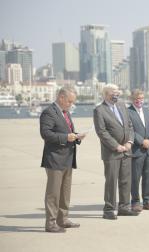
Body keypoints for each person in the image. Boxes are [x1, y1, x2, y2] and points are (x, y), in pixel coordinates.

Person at [40, 87, 85, 233]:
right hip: (54, 158)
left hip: (68, 158)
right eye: (70, 101)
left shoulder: (65, 112)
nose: (71, 104)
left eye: (73, 102)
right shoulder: (49, 112)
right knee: (53, 193)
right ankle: (51, 223)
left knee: (65, 192)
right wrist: (66, 137)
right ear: (61, 97)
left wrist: (76, 136)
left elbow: (67, 132)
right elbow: (46, 134)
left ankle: (63, 219)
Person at [93, 84, 138, 220]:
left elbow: (130, 126)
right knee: (111, 181)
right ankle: (108, 210)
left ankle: (124, 207)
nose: (117, 94)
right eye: (114, 92)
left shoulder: (121, 106)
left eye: (118, 91)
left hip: (126, 150)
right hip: (112, 152)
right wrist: (116, 146)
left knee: (126, 180)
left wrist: (129, 142)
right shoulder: (99, 110)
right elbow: (101, 131)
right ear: (106, 94)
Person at [128, 89, 149, 211]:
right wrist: (142, 141)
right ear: (132, 99)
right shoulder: (127, 112)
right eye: (137, 98)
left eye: (141, 98)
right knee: (135, 177)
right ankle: (135, 202)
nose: (139, 100)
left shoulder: (148, 112)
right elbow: (129, 130)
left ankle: (147, 200)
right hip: (136, 150)